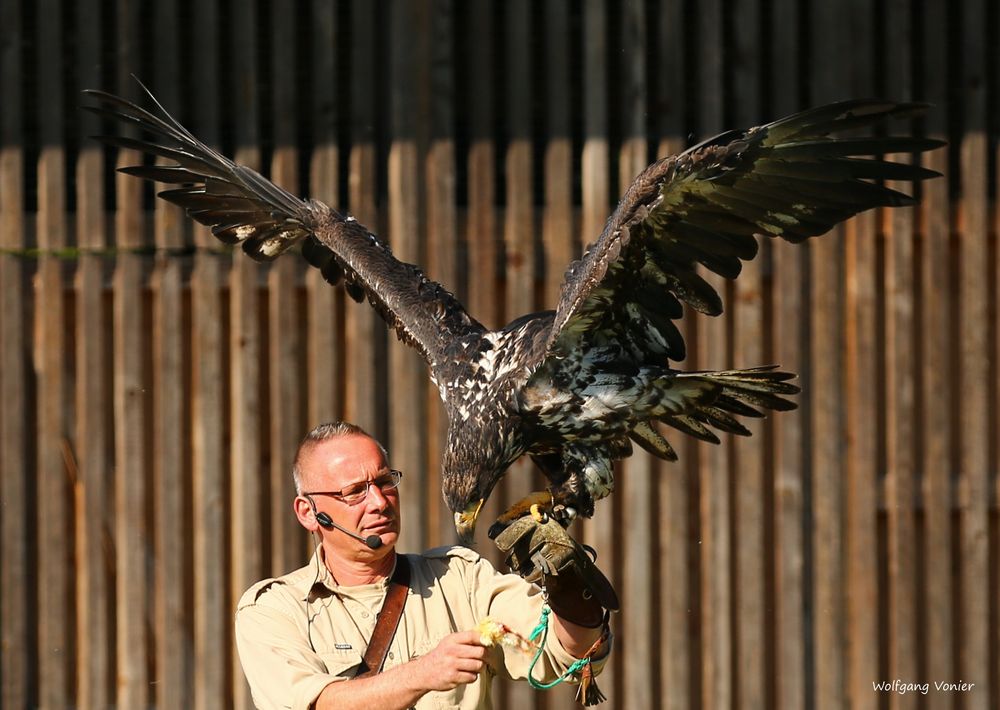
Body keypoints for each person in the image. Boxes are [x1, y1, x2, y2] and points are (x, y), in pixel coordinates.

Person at [235, 421, 613, 710]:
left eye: (385, 482)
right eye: (354, 492)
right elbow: (316, 705)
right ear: (309, 512)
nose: (379, 502)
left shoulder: (460, 579)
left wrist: (571, 597)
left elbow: (565, 655)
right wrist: (423, 673)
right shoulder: (273, 609)